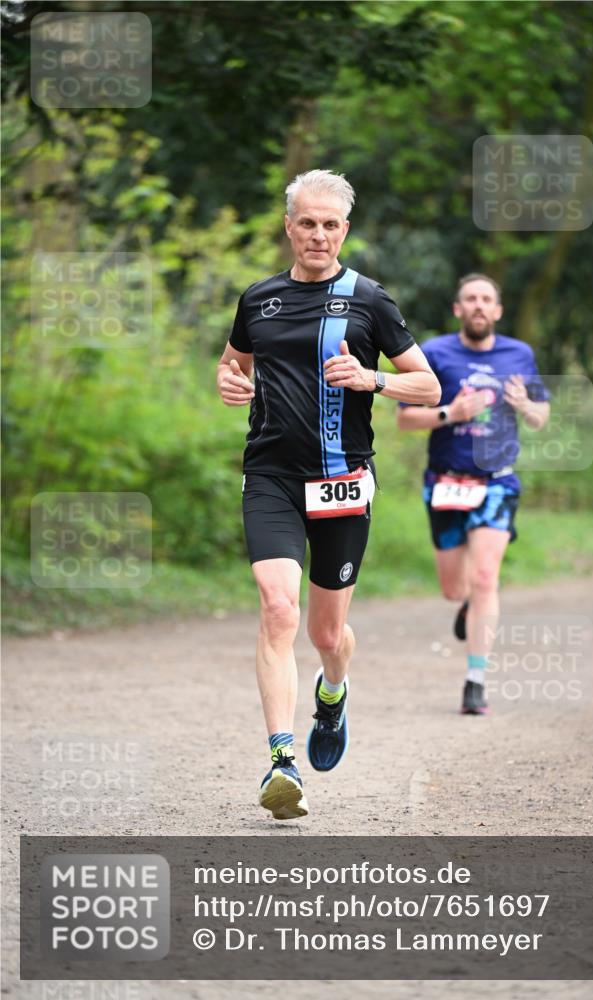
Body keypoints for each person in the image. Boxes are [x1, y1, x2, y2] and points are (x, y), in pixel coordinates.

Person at [217, 169, 440, 820]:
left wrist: (371, 378)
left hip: (341, 479)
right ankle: (281, 762)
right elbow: (232, 364)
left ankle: (334, 693)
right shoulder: (258, 299)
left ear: (345, 230)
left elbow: (426, 387)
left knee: (326, 631)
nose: (317, 234)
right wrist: (230, 384)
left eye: (330, 224)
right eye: (306, 222)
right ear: (288, 226)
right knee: (278, 609)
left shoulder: (368, 300)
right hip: (272, 477)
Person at [396, 274, 550, 715]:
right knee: (453, 588)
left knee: (485, 578)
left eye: (487, 299)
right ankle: (466, 604)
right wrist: (452, 412)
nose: (479, 305)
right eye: (470, 299)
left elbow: (541, 416)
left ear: (498, 310)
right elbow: (406, 419)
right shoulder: (436, 353)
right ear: (458, 309)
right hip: (445, 481)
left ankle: (475, 680)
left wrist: (525, 407)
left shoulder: (519, 354)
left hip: (497, 481)